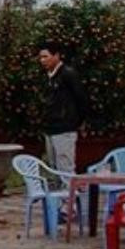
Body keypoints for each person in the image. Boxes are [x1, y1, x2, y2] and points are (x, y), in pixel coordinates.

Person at [37, 40, 89, 175]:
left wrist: (78, 121)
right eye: (41, 57)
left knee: (65, 166)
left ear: (56, 56)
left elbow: (81, 98)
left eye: (45, 56)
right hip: (50, 128)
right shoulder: (48, 77)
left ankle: (69, 194)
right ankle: (57, 195)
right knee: (53, 167)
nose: (42, 60)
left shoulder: (68, 74)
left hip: (65, 128)